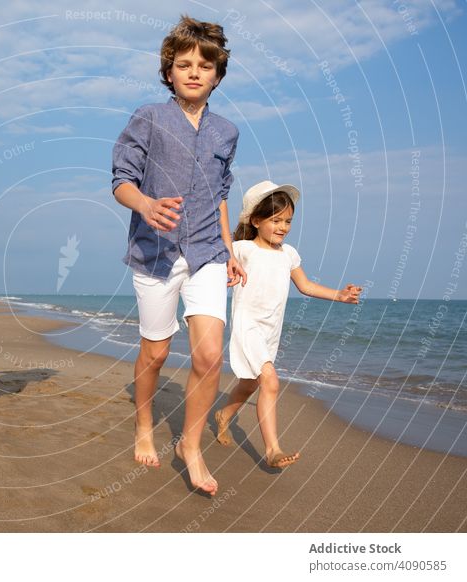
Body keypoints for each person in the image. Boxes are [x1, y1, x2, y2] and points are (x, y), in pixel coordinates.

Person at [112, 16, 245, 495]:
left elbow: (221, 193)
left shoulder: (226, 132)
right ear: (169, 71)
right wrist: (145, 204)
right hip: (156, 253)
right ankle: (144, 424)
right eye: (184, 64)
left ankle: (191, 446)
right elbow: (120, 181)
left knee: (210, 355)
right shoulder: (148, 117)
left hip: (209, 251)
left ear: (217, 74)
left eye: (204, 65)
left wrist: (229, 249)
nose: (194, 72)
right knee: (158, 350)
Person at [216, 181, 362, 467]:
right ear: (256, 221)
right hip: (248, 326)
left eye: (288, 221)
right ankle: (272, 450)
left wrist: (340, 296)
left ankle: (224, 415)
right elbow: (217, 265)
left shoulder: (289, 254)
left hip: (271, 331)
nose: (283, 227)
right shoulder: (242, 249)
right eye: (276, 220)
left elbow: (305, 286)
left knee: (250, 383)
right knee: (270, 380)